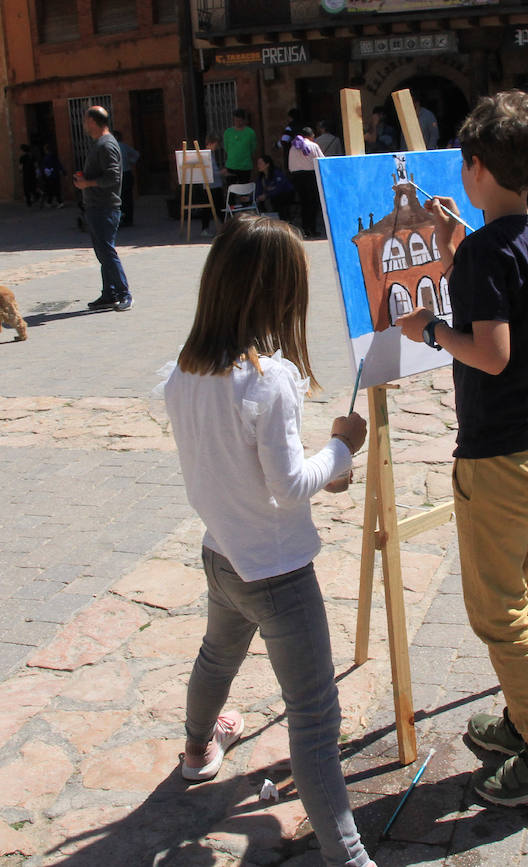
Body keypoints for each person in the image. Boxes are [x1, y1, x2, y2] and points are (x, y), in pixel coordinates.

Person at [394, 91, 528, 806]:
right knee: (525, 590)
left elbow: (493, 351)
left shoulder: (483, 251)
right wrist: (455, 251)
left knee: (497, 607)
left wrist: (428, 330)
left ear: (474, 167)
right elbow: (499, 295)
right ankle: (524, 716)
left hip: (500, 455)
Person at [163, 215, 375, 867]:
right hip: (277, 575)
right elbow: (286, 484)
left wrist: (324, 469)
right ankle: (350, 857)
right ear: (278, 295)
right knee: (314, 716)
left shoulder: (183, 371)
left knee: (215, 658)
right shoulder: (270, 377)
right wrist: (341, 449)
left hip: (222, 554)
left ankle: (198, 750)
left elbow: (245, 471)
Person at [73, 105, 130, 312]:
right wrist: (85, 179)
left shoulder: (106, 145)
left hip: (104, 207)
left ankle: (124, 294)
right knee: (103, 252)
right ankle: (110, 294)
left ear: (93, 122)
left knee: (107, 251)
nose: (83, 124)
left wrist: (87, 184)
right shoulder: (101, 143)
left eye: (85, 120)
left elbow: (113, 177)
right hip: (96, 206)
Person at [287, 128, 325, 238]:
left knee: (304, 203)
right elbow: (321, 160)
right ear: (311, 136)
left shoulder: (293, 147)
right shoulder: (313, 145)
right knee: (313, 203)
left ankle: (305, 228)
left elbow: (290, 165)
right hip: (310, 176)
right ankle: (312, 228)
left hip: (296, 177)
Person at [253, 154, 294, 220]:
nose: (258, 165)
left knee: (278, 199)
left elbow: (280, 188)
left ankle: (284, 220)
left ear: (267, 164)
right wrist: (250, 198)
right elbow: (258, 190)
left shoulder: (277, 173)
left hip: (285, 195)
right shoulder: (261, 177)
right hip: (272, 197)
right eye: (257, 163)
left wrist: (267, 195)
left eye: (260, 163)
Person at [222, 109, 258, 184]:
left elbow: (253, 148)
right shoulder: (228, 132)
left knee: (244, 190)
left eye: (240, 120)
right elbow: (226, 148)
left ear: (244, 120)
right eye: (236, 120)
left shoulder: (250, 133)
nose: (238, 122)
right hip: (231, 166)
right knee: (231, 190)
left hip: (245, 166)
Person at [114, 130, 139, 228]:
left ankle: (120, 219)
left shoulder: (111, 148)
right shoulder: (124, 146)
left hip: (117, 176)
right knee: (128, 198)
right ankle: (128, 219)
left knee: (118, 198)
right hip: (127, 173)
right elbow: (136, 155)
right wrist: (130, 162)